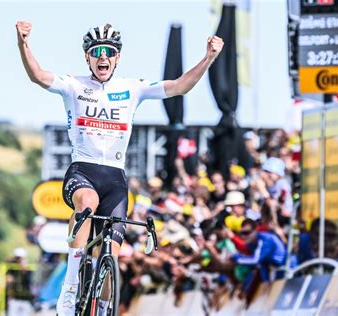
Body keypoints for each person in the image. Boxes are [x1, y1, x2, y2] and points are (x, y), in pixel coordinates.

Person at [16, 21, 224, 315]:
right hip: (82, 172)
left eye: (109, 52)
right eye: (97, 52)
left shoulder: (132, 88)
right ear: (87, 57)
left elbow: (180, 86)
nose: (103, 57)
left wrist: (209, 58)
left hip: (115, 179)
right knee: (87, 204)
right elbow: (37, 75)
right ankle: (71, 284)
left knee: (110, 255)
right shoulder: (74, 86)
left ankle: (103, 308)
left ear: (118, 57)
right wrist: (23, 43)